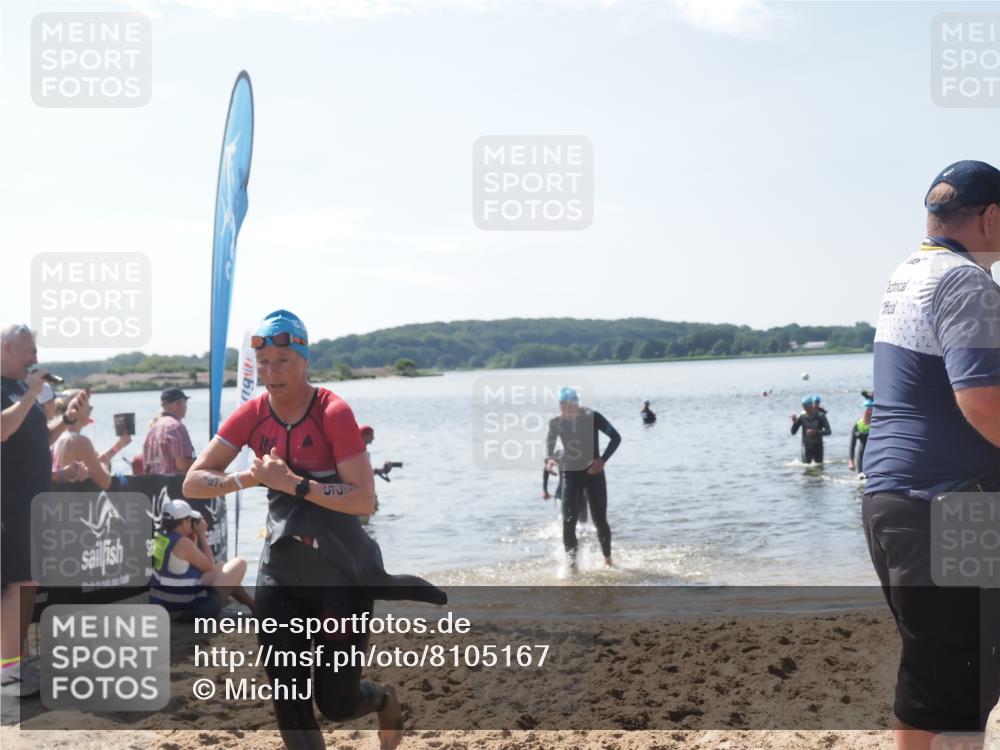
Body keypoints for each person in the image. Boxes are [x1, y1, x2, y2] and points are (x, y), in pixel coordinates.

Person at [183, 309, 445, 750]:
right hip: (281, 575)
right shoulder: (250, 415)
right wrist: (247, 478)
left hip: (339, 578)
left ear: (305, 360)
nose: (272, 372)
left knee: (336, 703)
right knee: (289, 700)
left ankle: (382, 698)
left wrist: (296, 484)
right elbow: (193, 481)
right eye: (264, 364)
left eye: (283, 361)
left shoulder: (333, 412)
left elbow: (364, 498)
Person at [863, 160, 1000, 747]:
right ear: (991, 218)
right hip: (947, 504)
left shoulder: (910, 273)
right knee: (951, 681)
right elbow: (982, 401)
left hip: (896, 500)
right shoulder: (966, 281)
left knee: (947, 675)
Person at [1, 324, 86, 697]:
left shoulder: (21, 388)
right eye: (29, 351)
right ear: (7, 348)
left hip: (32, 502)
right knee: (16, 586)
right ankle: (7, 673)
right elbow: (3, 430)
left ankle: (14, 660)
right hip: (10, 503)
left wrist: (65, 421)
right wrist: (34, 392)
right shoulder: (14, 389)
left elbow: (37, 438)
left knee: (26, 583)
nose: (36, 358)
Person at [545, 387, 621, 569]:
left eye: (574, 404)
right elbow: (550, 444)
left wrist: (602, 460)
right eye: (566, 406)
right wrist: (549, 460)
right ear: (561, 406)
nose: (571, 409)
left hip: (593, 474)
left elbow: (616, 437)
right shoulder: (555, 423)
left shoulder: (592, 417)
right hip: (570, 476)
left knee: (600, 520)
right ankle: (573, 568)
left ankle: (608, 560)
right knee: (568, 522)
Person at [150, 499, 253, 620]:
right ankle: (254, 606)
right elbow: (209, 566)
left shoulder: (160, 537)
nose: (192, 523)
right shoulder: (182, 543)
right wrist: (201, 535)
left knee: (221, 566)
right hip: (186, 610)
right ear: (183, 522)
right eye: (189, 520)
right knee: (240, 563)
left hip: (163, 604)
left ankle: (254, 606)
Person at [50, 389, 132, 491]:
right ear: (77, 408)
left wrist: (119, 445)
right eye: (89, 407)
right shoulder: (79, 441)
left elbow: (91, 465)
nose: (91, 410)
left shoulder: (55, 437)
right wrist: (104, 464)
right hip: (75, 502)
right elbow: (105, 482)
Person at [142, 388, 196, 475]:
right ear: (178, 403)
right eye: (185, 402)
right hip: (175, 486)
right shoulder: (176, 427)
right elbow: (183, 465)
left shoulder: (153, 428)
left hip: (155, 486)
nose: (186, 407)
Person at [790, 395, 831, 464]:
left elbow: (828, 431)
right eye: (803, 407)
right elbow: (793, 432)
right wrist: (794, 423)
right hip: (806, 446)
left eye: (806, 407)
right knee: (806, 468)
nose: (804, 409)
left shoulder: (821, 416)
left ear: (811, 406)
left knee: (819, 467)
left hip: (818, 446)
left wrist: (816, 432)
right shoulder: (802, 417)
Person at [847, 399, 874, 475]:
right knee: (861, 477)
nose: (868, 412)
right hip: (861, 454)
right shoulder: (858, 424)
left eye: (870, 410)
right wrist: (851, 461)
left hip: (874, 454)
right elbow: (852, 444)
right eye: (867, 410)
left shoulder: (877, 423)